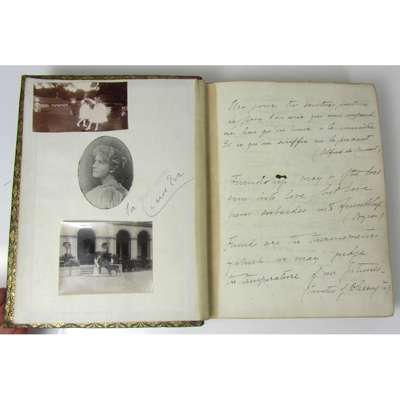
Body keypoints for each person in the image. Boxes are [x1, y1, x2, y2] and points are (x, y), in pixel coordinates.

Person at [85, 144, 128, 209]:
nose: (93, 165)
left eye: (100, 162)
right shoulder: (120, 189)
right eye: (95, 161)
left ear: (112, 168)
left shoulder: (109, 193)